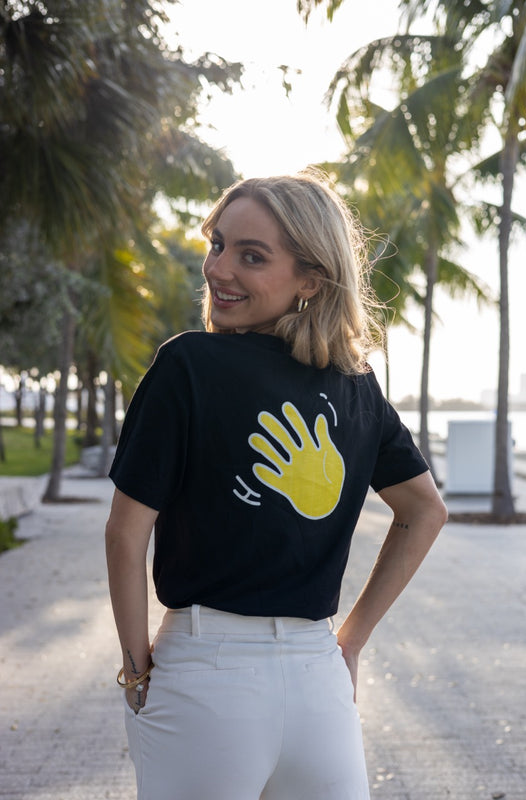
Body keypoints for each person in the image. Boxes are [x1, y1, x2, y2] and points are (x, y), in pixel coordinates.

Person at [105, 171, 448, 800]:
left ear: (311, 280)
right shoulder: (355, 385)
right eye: (217, 244)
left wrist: (135, 672)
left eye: (251, 256)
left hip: (206, 677)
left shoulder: (188, 366)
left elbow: (126, 535)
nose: (219, 269)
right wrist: (351, 642)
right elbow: (424, 511)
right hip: (319, 681)